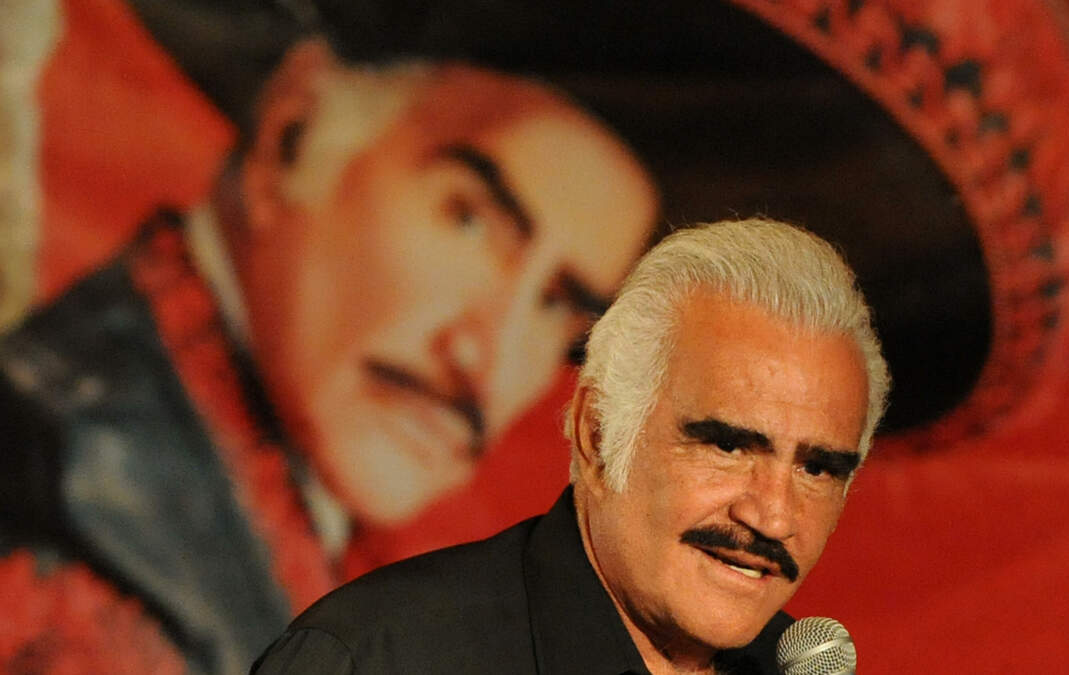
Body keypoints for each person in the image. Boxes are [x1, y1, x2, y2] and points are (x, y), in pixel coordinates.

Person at [0, 37, 655, 673]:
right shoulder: (82, 564)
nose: (490, 360)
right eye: (468, 220)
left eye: (557, 306)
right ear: (289, 138)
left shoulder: (267, 509)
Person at [251, 218, 891, 674]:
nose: (773, 516)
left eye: (816, 468)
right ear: (599, 433)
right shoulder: (376, 659)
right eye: (727, 447)